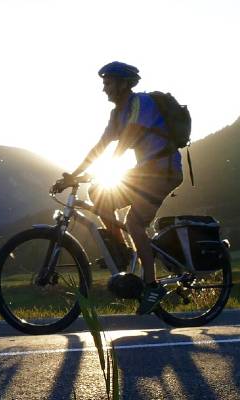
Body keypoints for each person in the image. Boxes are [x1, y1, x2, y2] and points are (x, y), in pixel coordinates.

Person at [53, 61, 184, 314]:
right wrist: (74, 175)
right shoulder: (116, 114)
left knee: (134, 224)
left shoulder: (140, 103)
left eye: (109, 83)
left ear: (124, 83)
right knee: (98, 195)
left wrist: (105, 168)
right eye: (104, 83)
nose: (105, 89)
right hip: (147, 172)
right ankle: (121, 252)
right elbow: (100, 147)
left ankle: (152, 285)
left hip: (163, 170)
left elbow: (127, 139)